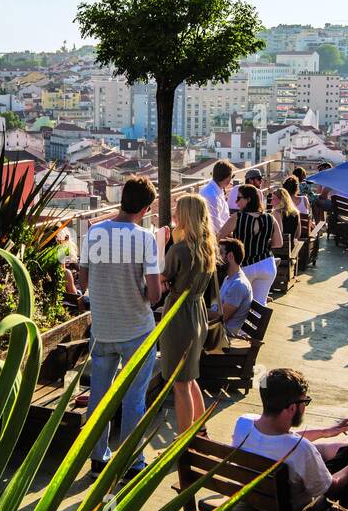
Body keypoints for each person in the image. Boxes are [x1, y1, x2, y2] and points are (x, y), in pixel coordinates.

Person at [78, 176, 163, 478]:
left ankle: (97, 458)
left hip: (102, 328)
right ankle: (131, 462)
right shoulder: (145, 238)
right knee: (134, 400)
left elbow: (83, 281)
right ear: (145, 208)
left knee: (99, 397)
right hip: (136, 329)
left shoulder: (94, 233)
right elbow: (154, 295)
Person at [229, 368, 348, 511]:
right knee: (344, 457)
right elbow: (332, 489)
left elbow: (277, 440)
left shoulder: (243, 423)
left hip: (252, 501)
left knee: (324, 450)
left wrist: (324, 432)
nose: (304, 407)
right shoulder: (302, 449)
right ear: (291, 408)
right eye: (305, 401)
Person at [159, 194, 218, 435]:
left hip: (179, 316)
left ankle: (183, 442)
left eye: (177, 210)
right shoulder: (206, 248)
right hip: (197, 313)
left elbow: (161, 280)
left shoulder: (180, 251)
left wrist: (163, 245)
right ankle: (200, 430)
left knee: (180, 384)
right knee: (190, 378)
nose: (174, 213)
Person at [218, 183, 283, 305]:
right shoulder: (270, 218)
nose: (236, 202)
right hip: (266, 264)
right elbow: (278, 243)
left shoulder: (237, 217)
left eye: (239, 198)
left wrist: (234, 240)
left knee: (239, 305)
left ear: (248, 199)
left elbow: (219, 236)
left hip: (245, 265)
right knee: (259, 305)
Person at [209, 237, 253, 337]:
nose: (217, 258)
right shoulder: (229, 278)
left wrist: (197, 311)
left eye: (220, 253)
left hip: (222, 336)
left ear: (230, 256)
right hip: (217, 330)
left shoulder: (238, 285)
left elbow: (221, 318)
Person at [198, 160, 234, 237]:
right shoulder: (211, 195)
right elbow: (215, 225)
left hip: (219, 233)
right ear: (227, 177)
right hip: (213, 237)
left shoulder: (217, 190)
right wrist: (230, 236)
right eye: (231, 177)